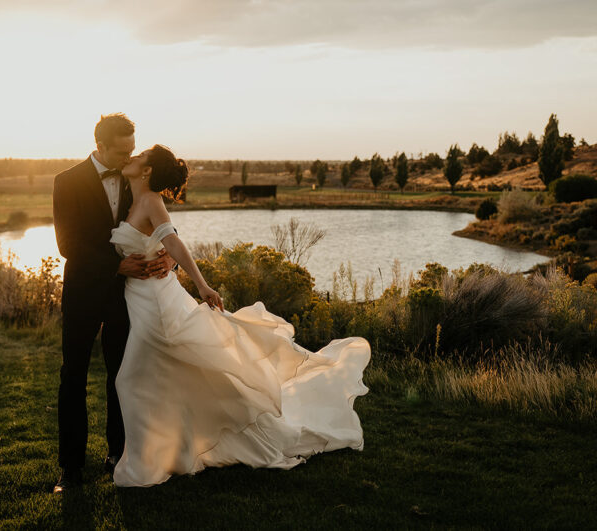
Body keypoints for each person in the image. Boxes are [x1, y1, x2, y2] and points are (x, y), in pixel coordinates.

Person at [110, 145, 371, 487]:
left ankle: (145, 466)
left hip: (158, 303)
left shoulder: (151, 201)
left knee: (131, 379)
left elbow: (173, 242)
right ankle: (171, 452)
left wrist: (201, 285)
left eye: (139, 155)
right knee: (169, 377)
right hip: (140, 298)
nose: (130, 156)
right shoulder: (131, 198)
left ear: (146, 171)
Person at [51, 114, 175, 493]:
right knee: (73, 376)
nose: (129, 156)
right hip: (84, 291)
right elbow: (66, 245)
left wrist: (167, 256)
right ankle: (70, 469)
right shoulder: (66, 182)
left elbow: (159, 222)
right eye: (122, 150)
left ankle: (119, 454)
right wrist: (115, 263)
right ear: (100, 145)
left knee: (122, 375)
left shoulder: (134, 177)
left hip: (126, 295)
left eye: (132, 150)